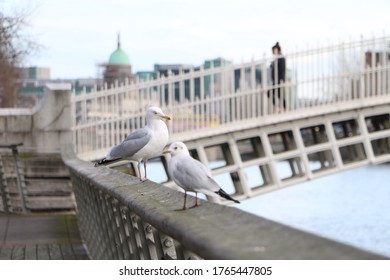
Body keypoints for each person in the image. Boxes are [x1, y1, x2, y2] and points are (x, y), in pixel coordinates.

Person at [269, 42, 286, 110]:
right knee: (279, 95)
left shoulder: (281, 59)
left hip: (278, 80)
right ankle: (281, 107)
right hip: (275, 80)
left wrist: (283, 79)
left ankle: (280, 107)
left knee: (278, 94)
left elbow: (282, 69)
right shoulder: (276, 59)